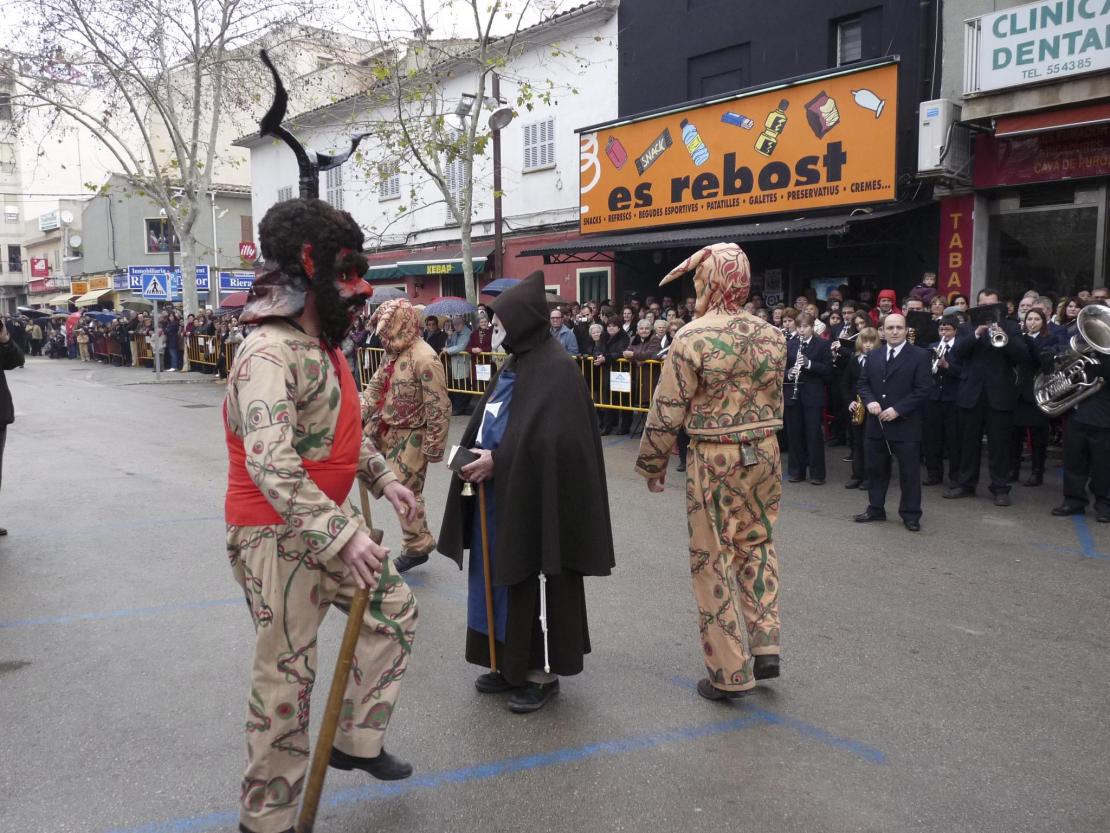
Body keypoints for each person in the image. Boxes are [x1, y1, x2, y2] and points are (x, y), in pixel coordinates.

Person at [224, 198, 421, 833]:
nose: (361, 296)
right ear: (309, 275)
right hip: (276, 536)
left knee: (393, 608)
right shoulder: (267, 352)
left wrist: (385, 477)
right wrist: (341, 534)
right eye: (347, 279)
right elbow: (273, 462)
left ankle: (354, 740)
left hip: (325, 529)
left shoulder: (322, 347)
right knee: (287, 675)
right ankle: (268, 819)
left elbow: (340, 434)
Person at [436, 271, 616, 713]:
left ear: (520, 324)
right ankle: (506, 662)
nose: (492, 330)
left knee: (536, 574)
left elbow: (558, 443)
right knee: (496, 578)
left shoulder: (556, 370)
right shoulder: (515, 362)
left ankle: (541, 672)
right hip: (496, 498)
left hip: (539, 501)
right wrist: (472, 453)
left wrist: (502, 459)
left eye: (499, 323)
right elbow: (495, 419)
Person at [635, 242, 786, 701]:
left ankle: (729, 671)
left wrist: (652, 463)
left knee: (711, 556)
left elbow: (667, 409)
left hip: (715, 455)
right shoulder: (773, 335)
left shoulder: (692, 337)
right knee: (757, 541)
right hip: (765, 449)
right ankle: (766, 640)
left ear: (709, 281)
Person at [363, 299, 451, 573]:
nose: (384, 338)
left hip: (413, 434)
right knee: (360, 464)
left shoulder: (425, 357)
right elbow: (375, 388)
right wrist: (357, 412)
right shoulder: (392, 353)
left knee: (404, 489)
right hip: (385, 427)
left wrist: (434, 445)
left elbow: (438, 405)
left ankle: (417, 546)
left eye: (388, 330)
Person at [945, 289, 1030, 506]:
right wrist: (977, 334)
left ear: (998, 306)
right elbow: (957, 353)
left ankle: (1000, 488)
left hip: (999, 394)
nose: (987, 309)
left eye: (991, 305)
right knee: (968, 443)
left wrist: (1003, 334)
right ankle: (965, 484)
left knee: (1000, 446)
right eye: (983, 305)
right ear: (977, 306)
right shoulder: (966, 327)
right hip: (971, 393)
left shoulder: (1010, 326)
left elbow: (1022, 355)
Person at [854, 314, 933, 531]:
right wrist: (869, 402)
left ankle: (910, 514)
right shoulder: (874, 355)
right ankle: (876, 508)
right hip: (876, 424)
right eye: (890, 328)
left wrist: (898, 409)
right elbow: (863, 384)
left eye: (899, 327)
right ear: (883, 331)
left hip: (906, 424)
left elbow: (924, 389)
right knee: (876, 470)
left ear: (906, 330)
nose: (895, 332)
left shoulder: (920, 355)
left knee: (909, 472)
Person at [783, 312, 831, 484]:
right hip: (793, 395)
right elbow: (780, 370)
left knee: (813, 435)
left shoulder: (823, 345)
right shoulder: (789, 344)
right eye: (799, 327)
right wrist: (789, 373)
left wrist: (809, 364)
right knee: (794, 435)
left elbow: (828, 371)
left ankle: (817, 474)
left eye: (805, 326)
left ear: (812, 327)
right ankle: (796, 471)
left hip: (813, 395)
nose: (802, 330)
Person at [1010, 308, 1051, 487]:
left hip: (1037, 392)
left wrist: (1027, 340)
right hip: (1018, 391)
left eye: (1036, 319)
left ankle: (1037, 472)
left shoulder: (1049, 339)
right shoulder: (1018, 338)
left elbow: (1043, 361)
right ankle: (1013, 469)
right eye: (1029, 319)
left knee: (1038, 437)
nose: (1032, 322)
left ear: (1043, 322)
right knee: (1014, 435)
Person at [922, 315, 963, 487]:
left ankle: (955, 477)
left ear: (955, 331)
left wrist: (948, 366)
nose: (944, 333)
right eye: (941, 329)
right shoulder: (932, 347)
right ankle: (934, 474)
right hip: (933, 398)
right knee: (932, 438)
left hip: (952, 398)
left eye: (947, 329)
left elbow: (964, 372)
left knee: (953, 440)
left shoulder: (960, 348)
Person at [843, 326, 879, 490]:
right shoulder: (854, 359)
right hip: (856, 406)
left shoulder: (879, 359)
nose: (868, 345)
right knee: (857, 443)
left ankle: (869, 477)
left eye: (872, 342)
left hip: (872, 407)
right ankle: (856, 475)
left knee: (869, 443)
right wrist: (850, 401)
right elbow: (846, 383)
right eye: (865, 342)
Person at [443, 313, 473, 415]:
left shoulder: (467, 333)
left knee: (463, 385)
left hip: (463, 363)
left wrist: (448, 350)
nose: (456, 327)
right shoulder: (455, 333)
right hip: (455, 363)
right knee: (457, 385)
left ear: (462, 324)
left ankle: (460, 407)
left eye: (457, 325)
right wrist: (450, 336)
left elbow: (462, 347)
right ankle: (458, 407)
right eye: (454, 325)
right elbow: (450, 345)